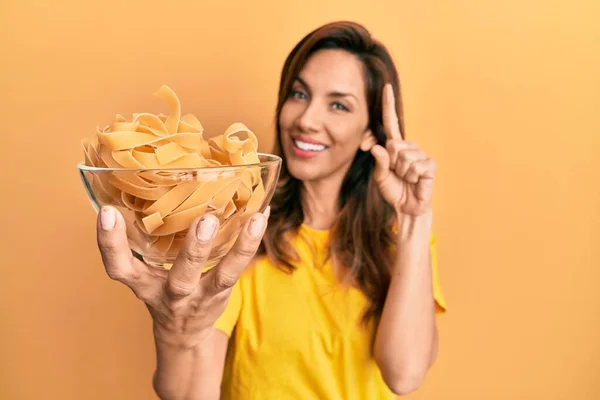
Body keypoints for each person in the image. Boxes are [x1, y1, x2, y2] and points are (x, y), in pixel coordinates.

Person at [95, 20, 447, 400]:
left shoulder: (403, 238)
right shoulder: (243, 229)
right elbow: (189, 394)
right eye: (299, 94)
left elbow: (405, 374)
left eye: (339, 105)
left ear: (369, 133)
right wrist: (174, 332)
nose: (306, 120)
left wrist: (414, 220)